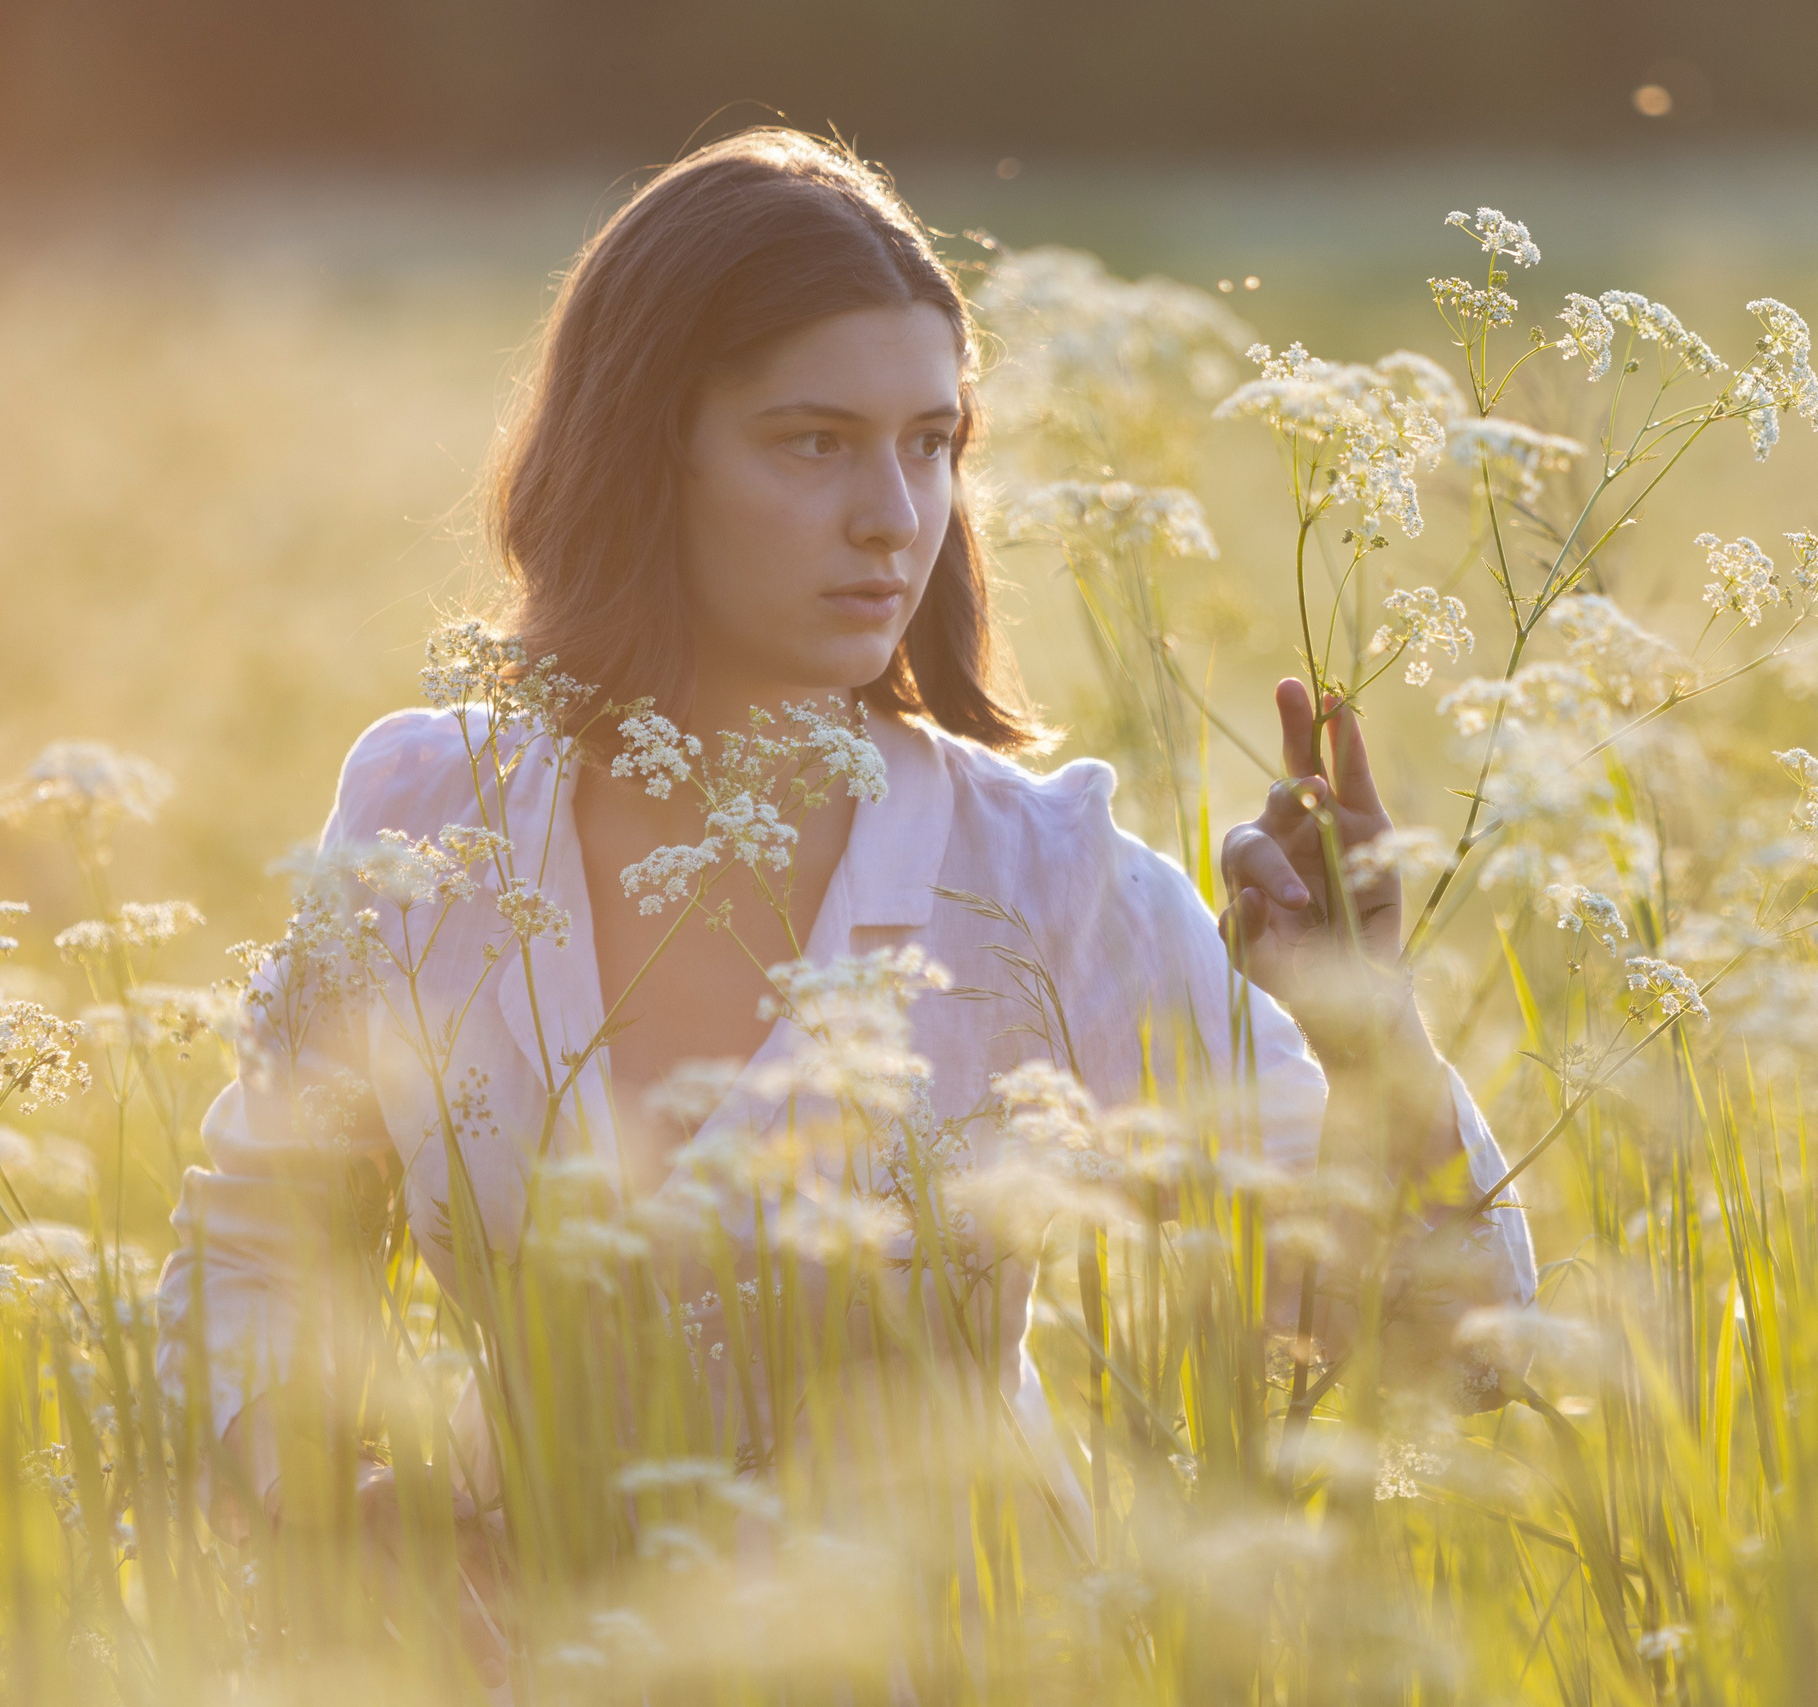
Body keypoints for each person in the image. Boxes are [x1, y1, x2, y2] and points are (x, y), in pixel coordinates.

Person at [153, 126, 1535, 1674]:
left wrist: (1364, 1025)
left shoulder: (1036, 874)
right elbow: (253, 1259)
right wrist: (340, 1514)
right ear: (640, 450)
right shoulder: (434, 816)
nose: (894, 512)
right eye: (813, 441)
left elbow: (1458, 1343)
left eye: (932, 441)